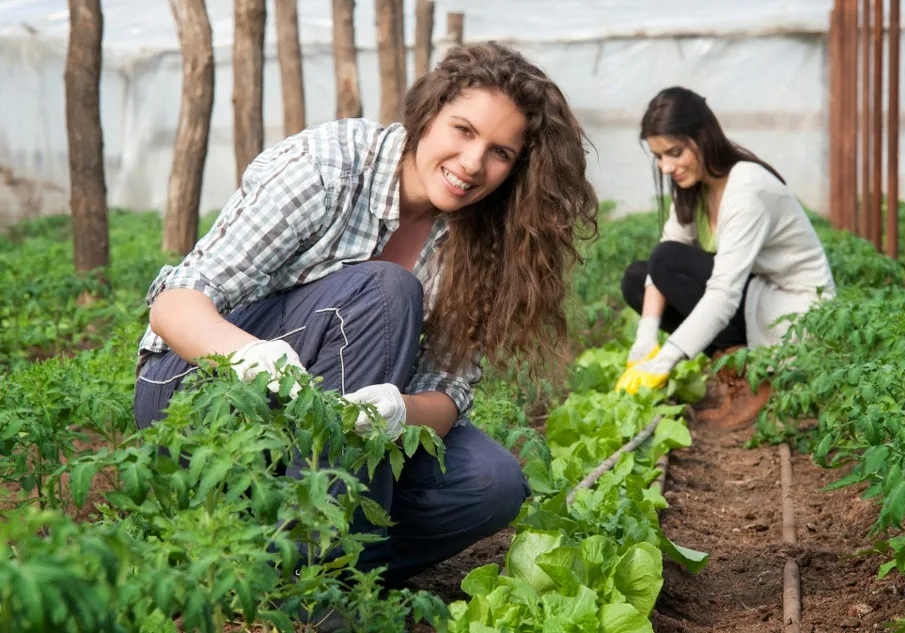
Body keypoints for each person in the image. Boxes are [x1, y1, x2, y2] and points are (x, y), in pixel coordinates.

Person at [133, 42, 599, 589]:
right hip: (199, 394)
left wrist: (397, 411)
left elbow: (448, 391)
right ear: (427, 114)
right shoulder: (329, 167)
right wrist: (250, 356)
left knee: (490, 484)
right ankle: (329, 586)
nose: (473, 164)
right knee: (385, 291)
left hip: (324, 430)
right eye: (463, 130)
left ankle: (272, 562)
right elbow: (175, 303)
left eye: (501, 152)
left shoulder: (488, 239)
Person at [616, 86, 835, 399]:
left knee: (667, 261)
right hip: (755, 301)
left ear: (703, 138)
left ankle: (752, 379)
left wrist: (666, 360)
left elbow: (723, 293)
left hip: (793, 316)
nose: (666, 167)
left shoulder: (747, 188)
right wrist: (646, 337)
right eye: (659, 157)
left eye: (674, 153)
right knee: (638, 279)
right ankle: (731, 363)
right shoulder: (695, 186)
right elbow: (664, 256)